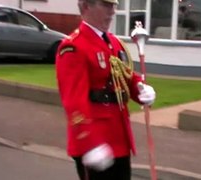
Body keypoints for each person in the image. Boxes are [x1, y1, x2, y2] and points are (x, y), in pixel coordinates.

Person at [55, 0, 156, 179]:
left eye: (114, 6)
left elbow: (123, 76)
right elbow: (73, 102)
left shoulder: (114, 42)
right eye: (106, 6)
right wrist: (90, 142)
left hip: (119, 139)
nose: (112, 12)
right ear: (86, 6)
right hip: (95, 144)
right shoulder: (73, 47)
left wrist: (140, 88)